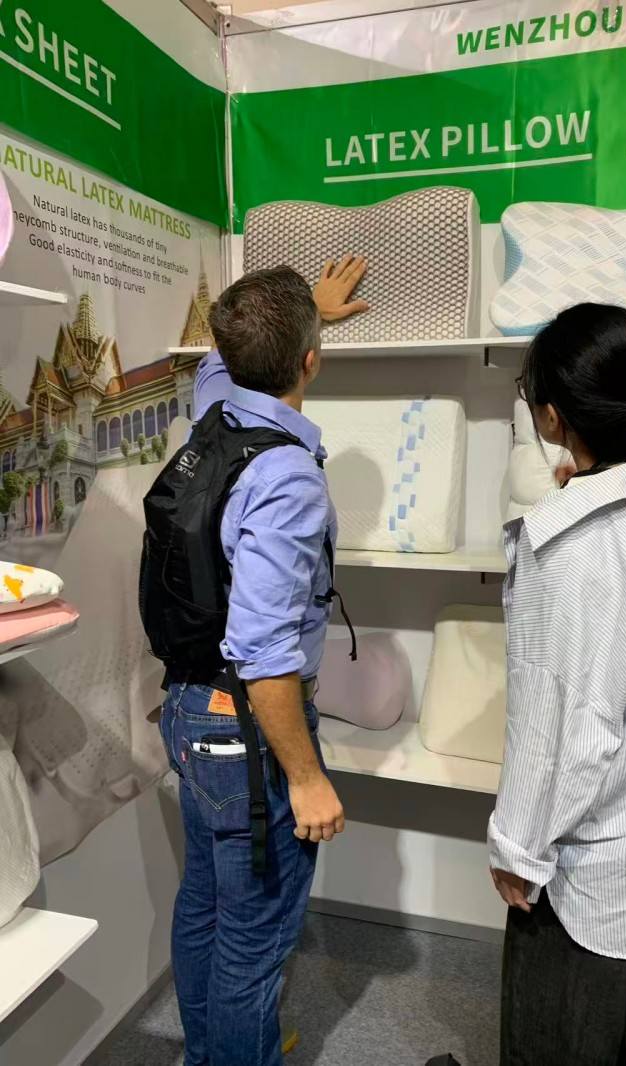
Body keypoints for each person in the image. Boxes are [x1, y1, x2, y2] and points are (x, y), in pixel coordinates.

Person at [430, 303, 626, 1066]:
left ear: (551, 417)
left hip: (596, 885)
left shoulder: (566, 548)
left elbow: (560, 733)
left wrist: (518, 849)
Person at [158, 256, 367, 1066]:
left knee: (206, 905)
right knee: (254, 939)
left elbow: (220, 358)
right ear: (310, 360)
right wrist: (307, 777)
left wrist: (299, 312)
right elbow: (263, 651)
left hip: (189, 709)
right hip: (246, 729)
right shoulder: (285, 477)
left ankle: (208, 1056)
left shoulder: (215, 412)